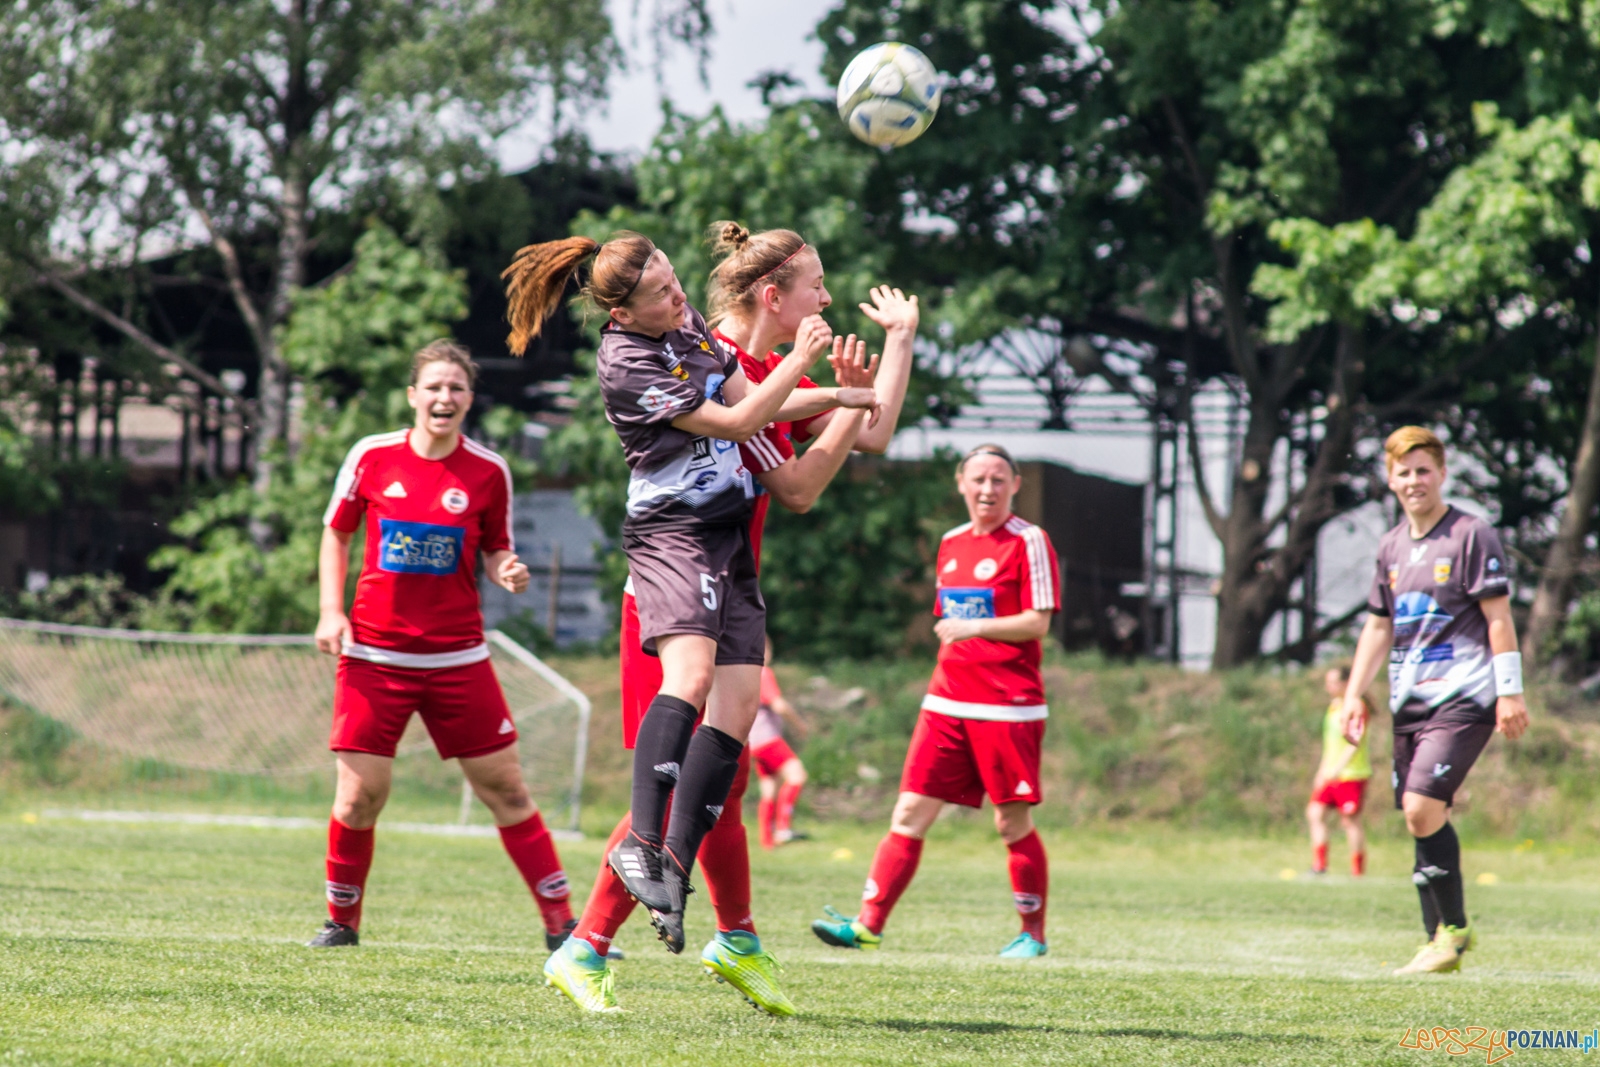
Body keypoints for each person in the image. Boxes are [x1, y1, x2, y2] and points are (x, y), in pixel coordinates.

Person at [537, 223, 918, 1014]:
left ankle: (726, 933)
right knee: (696, 771)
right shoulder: (737, 370)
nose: (827, 298)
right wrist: (835, 388)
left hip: (727, 575)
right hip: (672, 582)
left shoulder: (717, 351)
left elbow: (870, 430)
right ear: (773, 298)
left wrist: (891, 355)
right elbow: (802, 484)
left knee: (727, 771)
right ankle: (601, 941)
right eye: (815, 286)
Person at [307, 341, 575, 950]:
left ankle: (562, 924)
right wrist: (330, 611)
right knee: (358, 798)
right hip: (375, 657)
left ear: (469, 400)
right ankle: (341, 922)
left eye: (455, 388)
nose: (444, 398)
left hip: (459, 660)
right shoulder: (372, 456)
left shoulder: (488, 470)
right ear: (412, 396)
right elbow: (336, 534)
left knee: (507, 791)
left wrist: (508, 567)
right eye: (433, 387)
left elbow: (496, 545)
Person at [811, 443, 1060, 959]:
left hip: (1007, 705)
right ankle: (867, 924)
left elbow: (1038, 621)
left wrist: (977, 626)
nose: (987, 489)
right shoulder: (950, 543)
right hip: (946, 702)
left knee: (1010, 822)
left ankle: (1031, 935)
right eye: (978, 479)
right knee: (906, 815)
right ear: (960, 483)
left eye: (998, 480)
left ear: (1015, 485)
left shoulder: (1030, 541)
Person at [1339, 426, 1529, 975]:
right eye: (1404, 471)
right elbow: (1378, 627)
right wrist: (1354, 694)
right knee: (1419, 817)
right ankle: (1436, 941)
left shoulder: (1472, 535)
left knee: (1422, 807)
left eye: (1424, 469)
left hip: (1465, 697)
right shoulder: (1391, 546)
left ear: (1442, 473)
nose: (1414, 480)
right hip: (1409, 703)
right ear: (1389, 478)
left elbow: (1498, 617)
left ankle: (1456, 930)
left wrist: (1510, 691)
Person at [1307, 663, 1370, 876]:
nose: (1329, 687)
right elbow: (1330, 743)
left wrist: (1339, 768)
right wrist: (1322, 771)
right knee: (1315, 814)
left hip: (1351, 773)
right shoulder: (1333, 707)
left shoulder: (1356, 706)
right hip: (1330, 773)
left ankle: (1357, 871)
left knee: (1350, 821)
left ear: (1346, 683)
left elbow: (1356, 742)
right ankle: (1320, 865)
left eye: (1333, 682)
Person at [753, 635, 808, 850]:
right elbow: (779, 705)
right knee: (797, 775)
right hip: (768, 739)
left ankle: (767, 840)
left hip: (754, 743)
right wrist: (799, 724)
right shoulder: (763, 672)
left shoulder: (745, 674)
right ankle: (784, 829)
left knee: (769, 790)